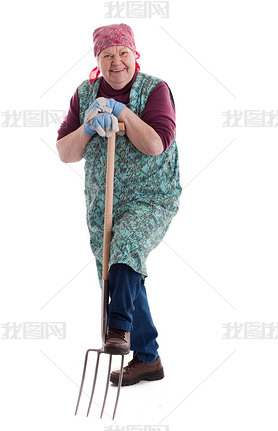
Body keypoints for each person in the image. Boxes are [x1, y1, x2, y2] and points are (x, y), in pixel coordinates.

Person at [56, 23, 182, 386]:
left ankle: (118, 330)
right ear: (98, 59)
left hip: (151, 197)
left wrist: (123, 114)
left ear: (134, 55)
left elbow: (156, 143)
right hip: (103, 202)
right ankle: (148, 359)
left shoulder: (154, 90)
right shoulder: (84, 95)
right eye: (107, 55)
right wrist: (88, 127)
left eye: (123, 53)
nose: (116, 62)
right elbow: (66, 152)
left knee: (126, 245)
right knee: (118, 274)